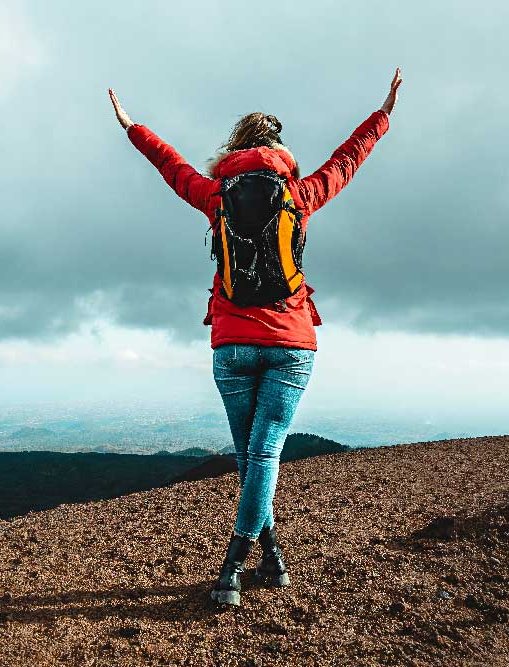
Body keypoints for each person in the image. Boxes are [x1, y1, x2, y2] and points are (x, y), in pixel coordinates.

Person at [109, 68, 402, 606]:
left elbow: (171, 167)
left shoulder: (217, 195)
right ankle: (241, 562)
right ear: (279, 151)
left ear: (236, 148)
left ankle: (260, 560)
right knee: (260, 456)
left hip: (231, 342)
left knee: (250, 457)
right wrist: (382, 115)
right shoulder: (300, 194)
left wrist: (134, 127)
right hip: (291, 343)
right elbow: (348, 160)